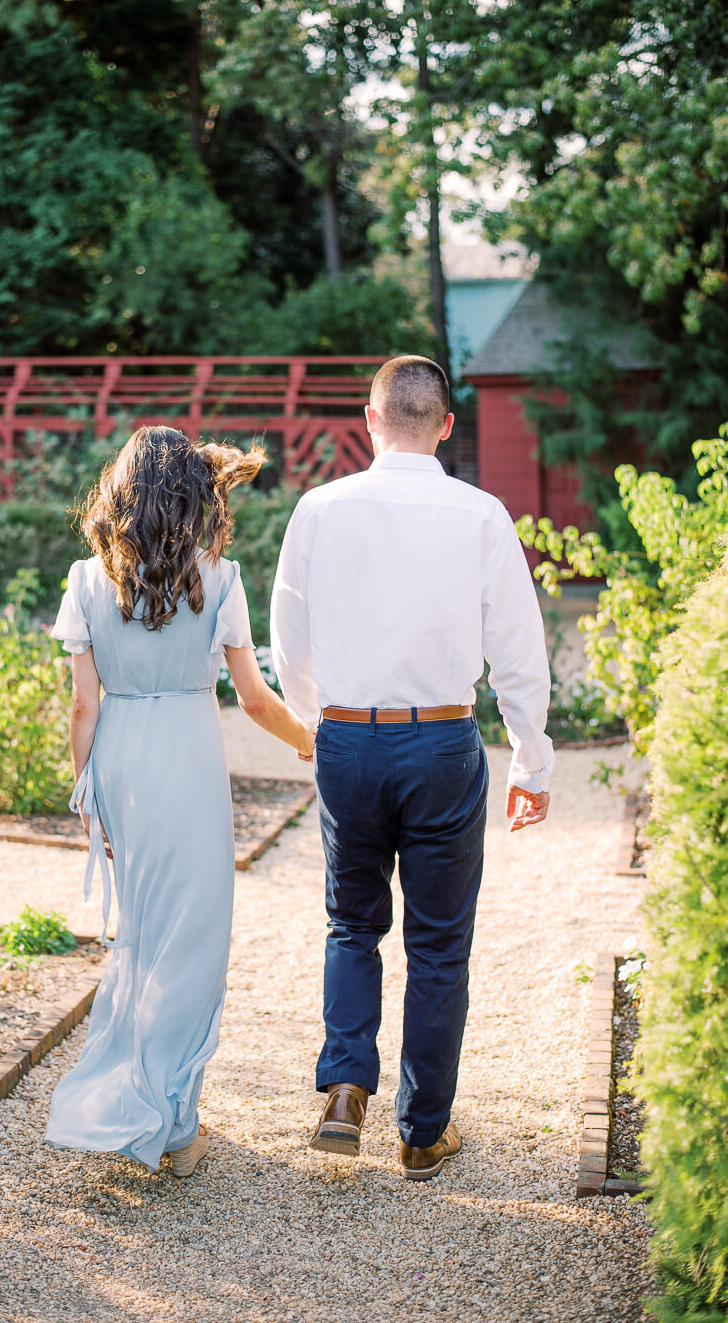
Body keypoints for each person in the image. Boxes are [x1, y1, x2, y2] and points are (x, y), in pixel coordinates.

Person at [270, 355, 553, 1181]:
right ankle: (422, 1132)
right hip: (440, 742)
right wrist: (530, 761)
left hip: (349, 738)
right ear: (447, 426)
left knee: (351, 923)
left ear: (369, 418)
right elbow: (519, 653)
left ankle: (345, 1088)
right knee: (437, 947)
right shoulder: (482, 514)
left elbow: (292, 640)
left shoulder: (319, 509)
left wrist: (317, 727)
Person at [45, 427, 315, 1178]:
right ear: (193, 494)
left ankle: (136, 1105)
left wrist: (87, 793)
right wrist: (313, 742)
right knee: (190, 944)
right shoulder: (219, 578)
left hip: (123, 760)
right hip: (188, 760)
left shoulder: (85, 579)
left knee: (143, 933)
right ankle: (171, 1121)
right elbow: (255, 700)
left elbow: (82, 708)